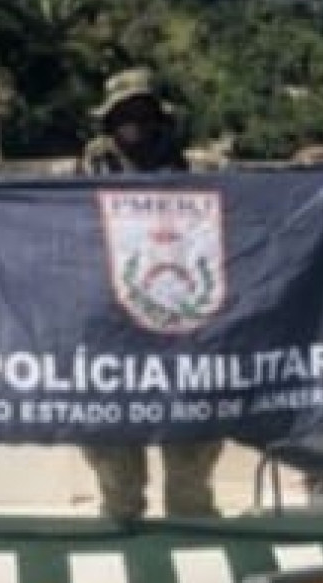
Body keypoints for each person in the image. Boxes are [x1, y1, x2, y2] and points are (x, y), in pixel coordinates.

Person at [76, 67, 222, 521]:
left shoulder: (199, 171)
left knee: (191, 462)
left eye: (143, 112)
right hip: (110, 336)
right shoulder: (84, 172)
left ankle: (193, 530)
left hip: (185, 333)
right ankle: (122, 529)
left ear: (162, 117)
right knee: (114, 461)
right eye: (122, 115)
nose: (134, 123)